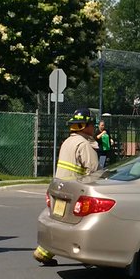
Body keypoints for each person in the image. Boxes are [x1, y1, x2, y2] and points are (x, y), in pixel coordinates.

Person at [34, 108, 100, 266]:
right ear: (85, 126)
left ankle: (43, 252)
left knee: (58, 221)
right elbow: (94, 171)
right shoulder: (84, 145)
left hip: (59, 188)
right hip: (75, 191)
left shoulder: (68, 141)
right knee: (79, 225)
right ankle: (88, 256)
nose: (94, 128)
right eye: (92, 124)